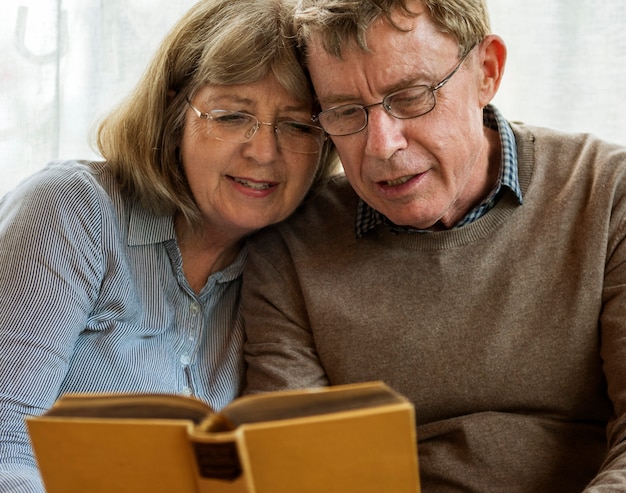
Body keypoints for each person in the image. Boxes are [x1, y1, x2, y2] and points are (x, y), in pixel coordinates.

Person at [241, 0, 626, 491]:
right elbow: (299, 467)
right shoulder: (291, 244)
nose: (382, 145)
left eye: (411, 96)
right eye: (345, 112)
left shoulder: (608, 192)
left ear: (486, 72)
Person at [0, 0, 336, 490]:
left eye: (298, 125)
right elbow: (5, 438)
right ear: (175, 110)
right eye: (230, 116)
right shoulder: (73, 211)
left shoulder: (289, 265)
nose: (264, 151)